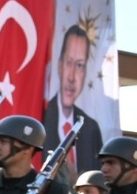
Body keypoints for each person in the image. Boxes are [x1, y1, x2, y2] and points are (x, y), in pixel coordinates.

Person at [42, 25, 104, 173]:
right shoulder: (41, 117)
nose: (71, 77)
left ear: (85, 72)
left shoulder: (91, 128)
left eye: (80, 65)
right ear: (59, 65)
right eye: (69, 63)